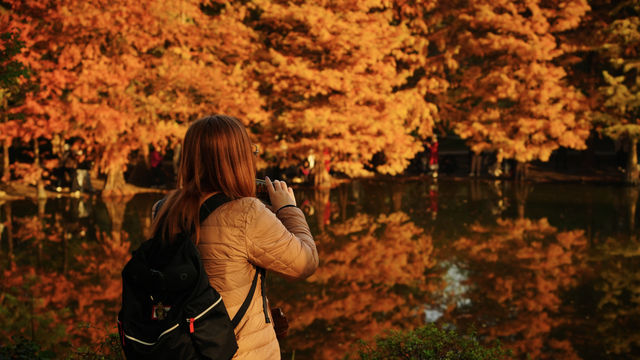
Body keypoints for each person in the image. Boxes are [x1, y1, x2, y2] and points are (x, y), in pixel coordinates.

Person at [150, 115, 318, 360]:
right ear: (239, 158)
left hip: (182, 346)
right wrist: (288, 209)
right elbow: (306, 262)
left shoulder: (163, 209)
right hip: (239, 352)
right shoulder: (247, 212)